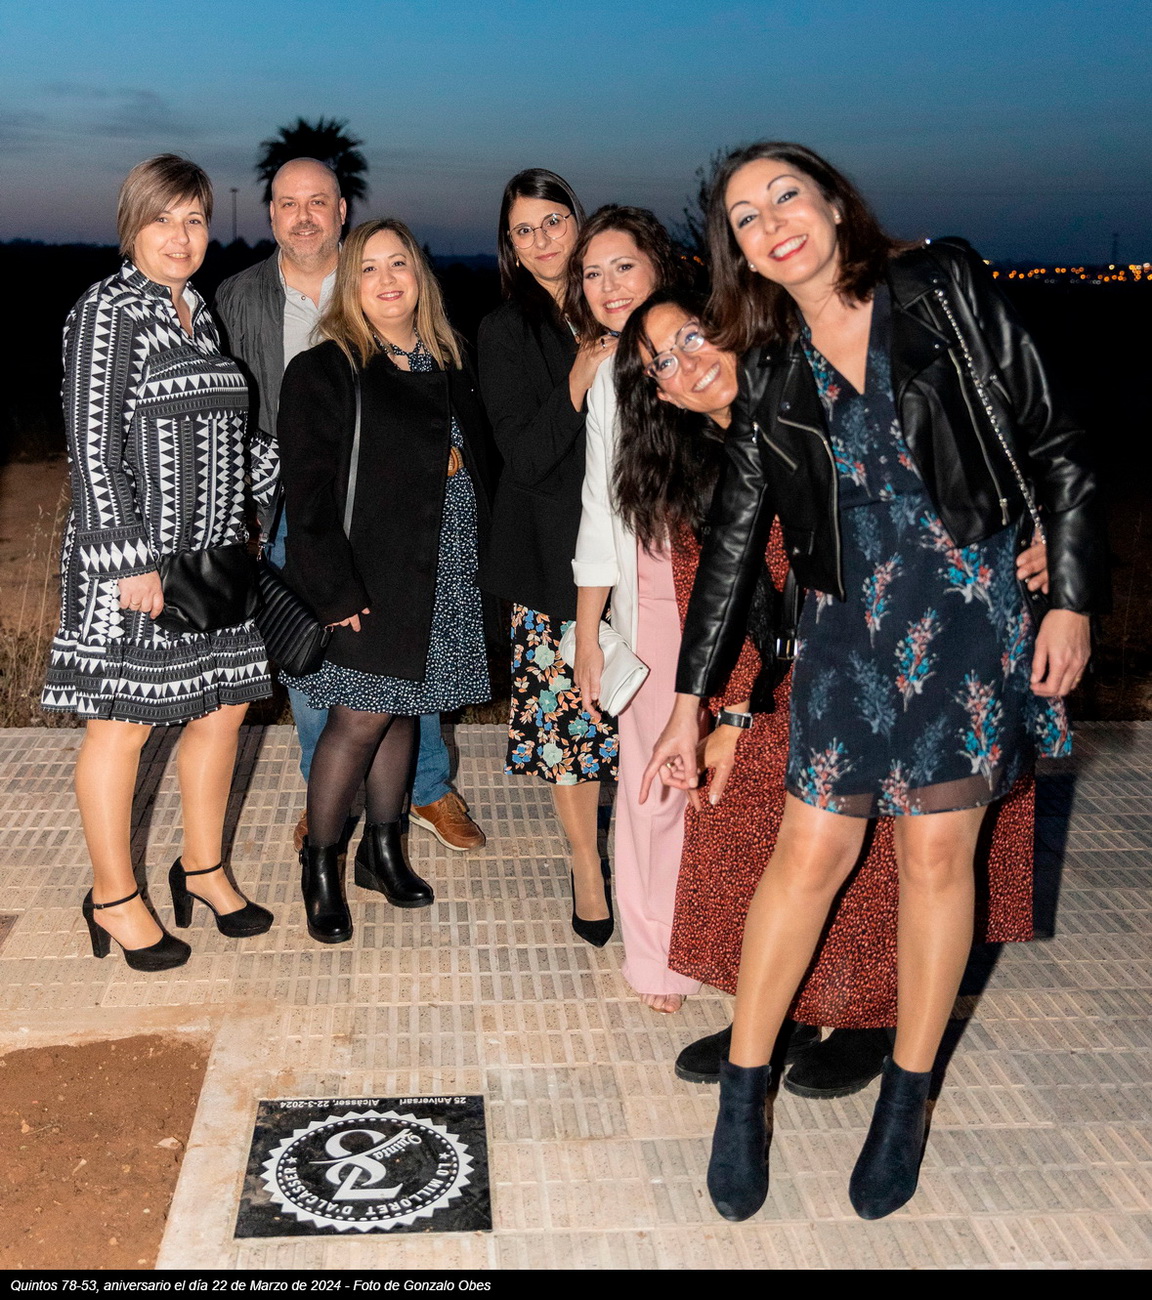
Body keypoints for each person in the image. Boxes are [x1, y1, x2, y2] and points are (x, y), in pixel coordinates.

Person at [644, 142, 1103, 1221]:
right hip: (846, 629)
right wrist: (686, 704)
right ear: (739, 253)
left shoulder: (941, 288)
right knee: (809, 850)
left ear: (835, 205)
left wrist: (1072, 594)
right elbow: (735, 540)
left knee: (937, 856)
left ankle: (907, 1096)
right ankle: (745, 1094)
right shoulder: (769, 365)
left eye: (785, 196)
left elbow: (1055, 441)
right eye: (745, 217)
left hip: (970, 612)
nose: (771, 223)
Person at [615, 288, 1044, 1095]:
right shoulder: (688, 470)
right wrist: (727, 709)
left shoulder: (819, 407)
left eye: (693, 336)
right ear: (660, 394)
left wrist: (1040, 536)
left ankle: (870, 1014)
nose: (686, 363)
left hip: (890, 647)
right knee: (738, 810)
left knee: (866, 822)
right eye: (662, 363)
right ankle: (779, 1009)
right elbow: (712, 600)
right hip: (775, 672)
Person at [42, 154, 274, 970]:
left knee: (223, 710)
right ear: (131, 226)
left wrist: (281, 482)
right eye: (162, 219)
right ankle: (113, 898)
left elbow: (224, 436)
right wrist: (128, 560)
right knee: (124, 726)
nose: (181, 237)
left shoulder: (198, 314)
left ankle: (203, 870)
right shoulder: (107, 312)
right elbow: (93, 449)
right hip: (138, 565)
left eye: (194, 220)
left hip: (214, 559)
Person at [216, 159, 484, 856]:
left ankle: (425, 788)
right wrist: (242, 503)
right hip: (293, 499)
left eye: (318, 202)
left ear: (342, 212)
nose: (303, 216)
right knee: (318, 666)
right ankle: (326, 802)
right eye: (288, 203)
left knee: (409, 662)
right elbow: (229, 405)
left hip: (390, 513)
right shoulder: (239, 296)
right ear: (271, 214)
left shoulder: (381, 283)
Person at [277, 218, 494, 944]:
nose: (386, 279)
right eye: (368, 268)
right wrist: (334, 592)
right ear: (350, 285)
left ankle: (383, 850)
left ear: (419, 275)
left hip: (443, 570)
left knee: (406, 712)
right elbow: (308, 497)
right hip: (367, 580)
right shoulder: (327, 368)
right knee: (358, 721)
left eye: (398, 263)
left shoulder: (448, 359)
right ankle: (321, 866)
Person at [476, 169, 619, 947]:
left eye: (553, 221)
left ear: (578, 220)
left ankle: (646, 847)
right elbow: (525, 457)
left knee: (639, 710)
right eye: (524, 230)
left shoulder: (621, 302)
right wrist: (577, 379)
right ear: (510, 244)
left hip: (638, 540)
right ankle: (586, 865)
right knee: (573, 721)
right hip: (551, 554)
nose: (542, 241)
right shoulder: (504, 330)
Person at [568, 206, 692, 1011]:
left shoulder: (707, 348)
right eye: (592, 273)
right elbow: (597, 509)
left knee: (727, 774)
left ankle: (723, 932)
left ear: (659, 268)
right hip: (650, 594)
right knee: (652, 785)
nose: (608, 286)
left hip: (727, 589)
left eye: (623, 266)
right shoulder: (611, 374)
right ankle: (656, 956)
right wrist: (588, 636)